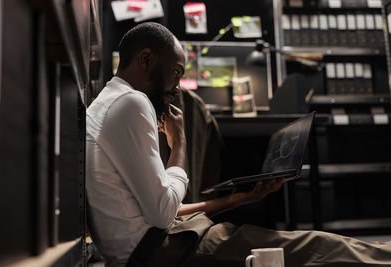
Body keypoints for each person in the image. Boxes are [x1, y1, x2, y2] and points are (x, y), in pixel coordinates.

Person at [86, 22, 391, 267]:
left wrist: (236, 200)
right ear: (146, 59)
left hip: (159, 245)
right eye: (176, 73)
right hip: (160, 252)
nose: (177, 89)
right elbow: (163, 213)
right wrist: (179, 143)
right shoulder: (131, 102)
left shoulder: (109, 102)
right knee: (313, 246)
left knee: (309, 243)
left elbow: (160, 207)